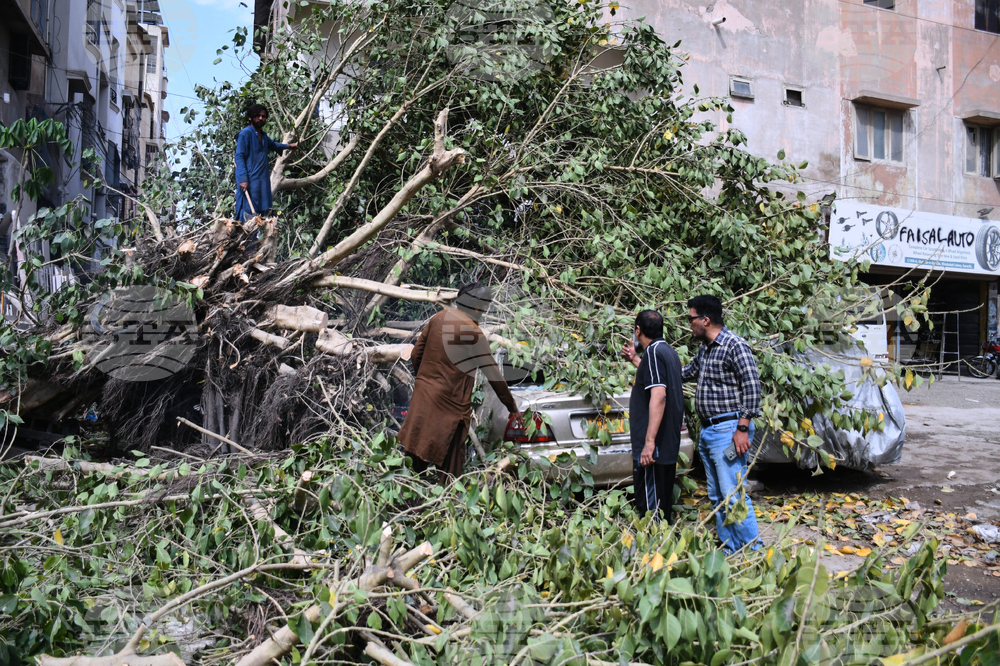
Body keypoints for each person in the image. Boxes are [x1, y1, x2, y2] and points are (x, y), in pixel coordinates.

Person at [397, 282, 522, 484]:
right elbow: (493, 375)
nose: (484, 311)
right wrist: (512, 407)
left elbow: (415, 354)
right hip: (451, 410)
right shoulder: (473, 333)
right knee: (450, 469)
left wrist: (426, 382)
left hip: (423, 399)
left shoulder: (438, 318)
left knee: (414, 458)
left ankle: (410, 497)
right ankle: (447, 501)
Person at [682, 294, 763, 553]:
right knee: (718, 496)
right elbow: (685, 373)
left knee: (733, 495)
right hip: (710, 431)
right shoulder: (705, 349)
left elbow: (752, 387)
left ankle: (754, 551)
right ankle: (731, 549)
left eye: (691, 319)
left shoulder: (734, 345)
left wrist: (742, 428)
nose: (689, 324)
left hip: (728, 430)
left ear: (705, 320)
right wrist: (644, 362)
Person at [622, 310, 684, 523]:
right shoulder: (667, 352)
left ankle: (654, 542)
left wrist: (649, 443)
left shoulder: (654, 353)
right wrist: (634, 359)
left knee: (651, 511)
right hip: (667, 445)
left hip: (654, 450)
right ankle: (663, 542)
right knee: (661, 506)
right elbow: (655, 377)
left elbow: (659, 396)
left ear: (638, 330)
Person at [234, 104, 297, 222]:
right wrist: (242, 179)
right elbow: (239, 156)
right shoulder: (245, 134)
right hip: (249, 181)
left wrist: (288, 146)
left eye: (263, 116)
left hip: (261, 182)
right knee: (246, 215)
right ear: (250, 117)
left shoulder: (263, 136)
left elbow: (273, 145)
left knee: (259, 216)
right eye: (257, 116)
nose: (260, 118)